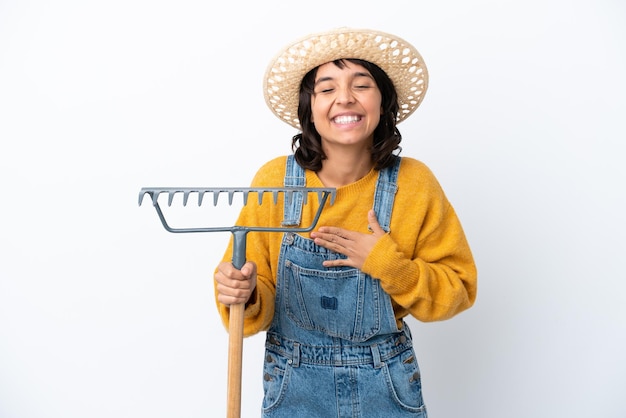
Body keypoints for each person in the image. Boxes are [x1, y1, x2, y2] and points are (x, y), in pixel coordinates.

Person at [213, 27, 477, 417]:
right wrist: (245, 291)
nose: (345, 98)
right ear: (310, 107)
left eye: (362, 84)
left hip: (385, 387)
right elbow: (254, 306)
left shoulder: (414, 184)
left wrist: (388, 265)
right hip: (294, 388)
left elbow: (458, 289)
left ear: (383, 100)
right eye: (327, 88)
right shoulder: (274, 183)